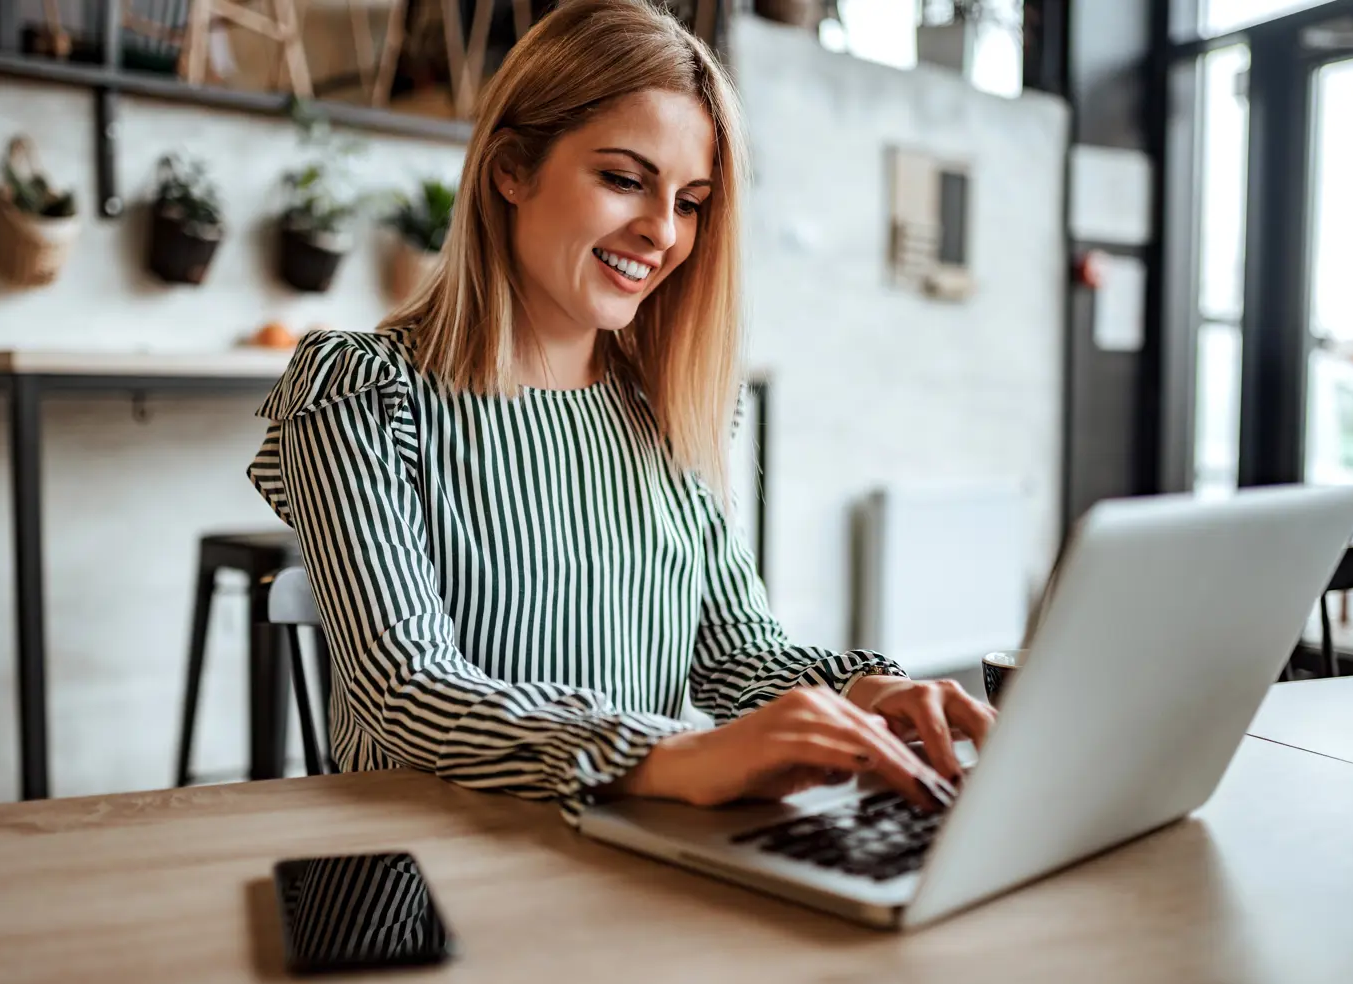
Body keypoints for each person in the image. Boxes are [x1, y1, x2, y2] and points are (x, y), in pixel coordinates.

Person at [249, 0, 993, 822]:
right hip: (431, 871)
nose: (662, 232)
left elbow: (735, 653)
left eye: (691, 201)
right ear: (510, 170)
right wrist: (668, 755)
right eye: (625, 180)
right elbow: (409, 693)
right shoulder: (363, 392)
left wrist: (862, 693)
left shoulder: (663, 408)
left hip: (625, 850)